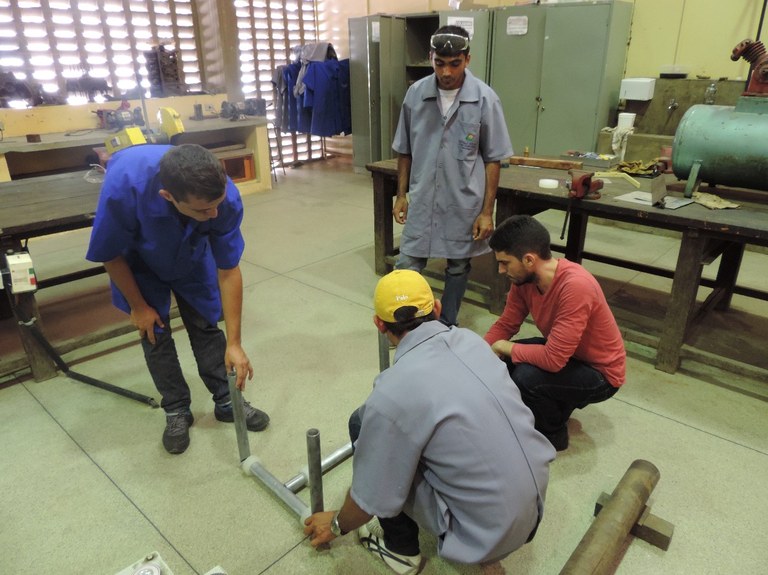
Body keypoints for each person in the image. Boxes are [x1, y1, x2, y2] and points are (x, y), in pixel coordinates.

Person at [303, 270, 554, 574]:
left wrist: (336, 524)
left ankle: (401, 552)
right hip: (535, 504)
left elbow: (370, 497)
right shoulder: (472, 341)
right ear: (436, 307)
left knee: (362, 422)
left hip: (486, 534)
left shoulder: (392, 394)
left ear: (379, 324)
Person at [86, 143, 269, 455]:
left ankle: (226, 400)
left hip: (191, 253)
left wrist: (235, 343)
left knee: (205, 322)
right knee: (153, 332)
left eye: (216, 206)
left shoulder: (223, 197)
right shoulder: (124, 187)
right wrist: (139, 307)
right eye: (203, 210)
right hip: (139, 259)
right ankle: (176, 409)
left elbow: (228, 270)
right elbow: (110, 254)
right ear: (168, 196)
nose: (214, 214)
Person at [391, 25, 513, 327]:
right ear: (431, 58)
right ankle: (405, 328)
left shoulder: (484, 99)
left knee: (458, 266)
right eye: (439, 63)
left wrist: (487, 212)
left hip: (462, 202)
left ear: (467, 59)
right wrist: (401, 195)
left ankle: (447, 324)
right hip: (422, 199)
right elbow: (404, 150)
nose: (446, 72)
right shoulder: (416, 95)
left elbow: (493, 159)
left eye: (455, 64)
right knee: (406, 265)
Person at [484, 215, 626, 452]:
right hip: (569, 355)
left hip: (600, 374)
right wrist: (477, 353)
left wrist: (502, 346)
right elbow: (507, 324)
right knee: (504, 361)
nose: (501, 270)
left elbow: (553, 359)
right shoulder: (524, 281)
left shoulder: (575, 285)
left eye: (505, 263)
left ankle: (552, 436)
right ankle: (555, 407)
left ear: (529, 259)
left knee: (526, 377)